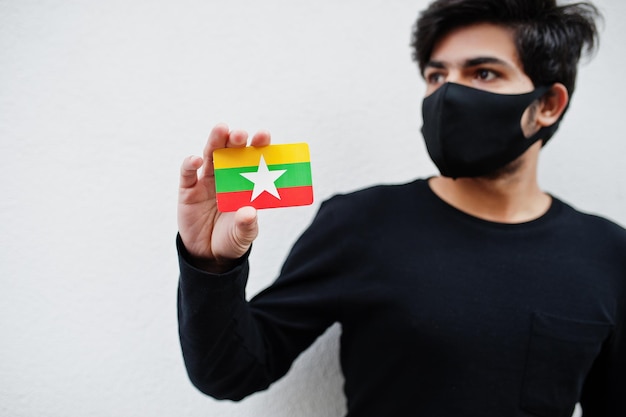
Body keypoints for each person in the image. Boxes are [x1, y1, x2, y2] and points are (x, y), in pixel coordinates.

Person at [176, 0, 625, 415]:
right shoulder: (360, 222)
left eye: (483, 73)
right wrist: (209, 264)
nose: (449, 94)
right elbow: (231, 371)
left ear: (547, 104)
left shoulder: (607, 252)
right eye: (436, 76)